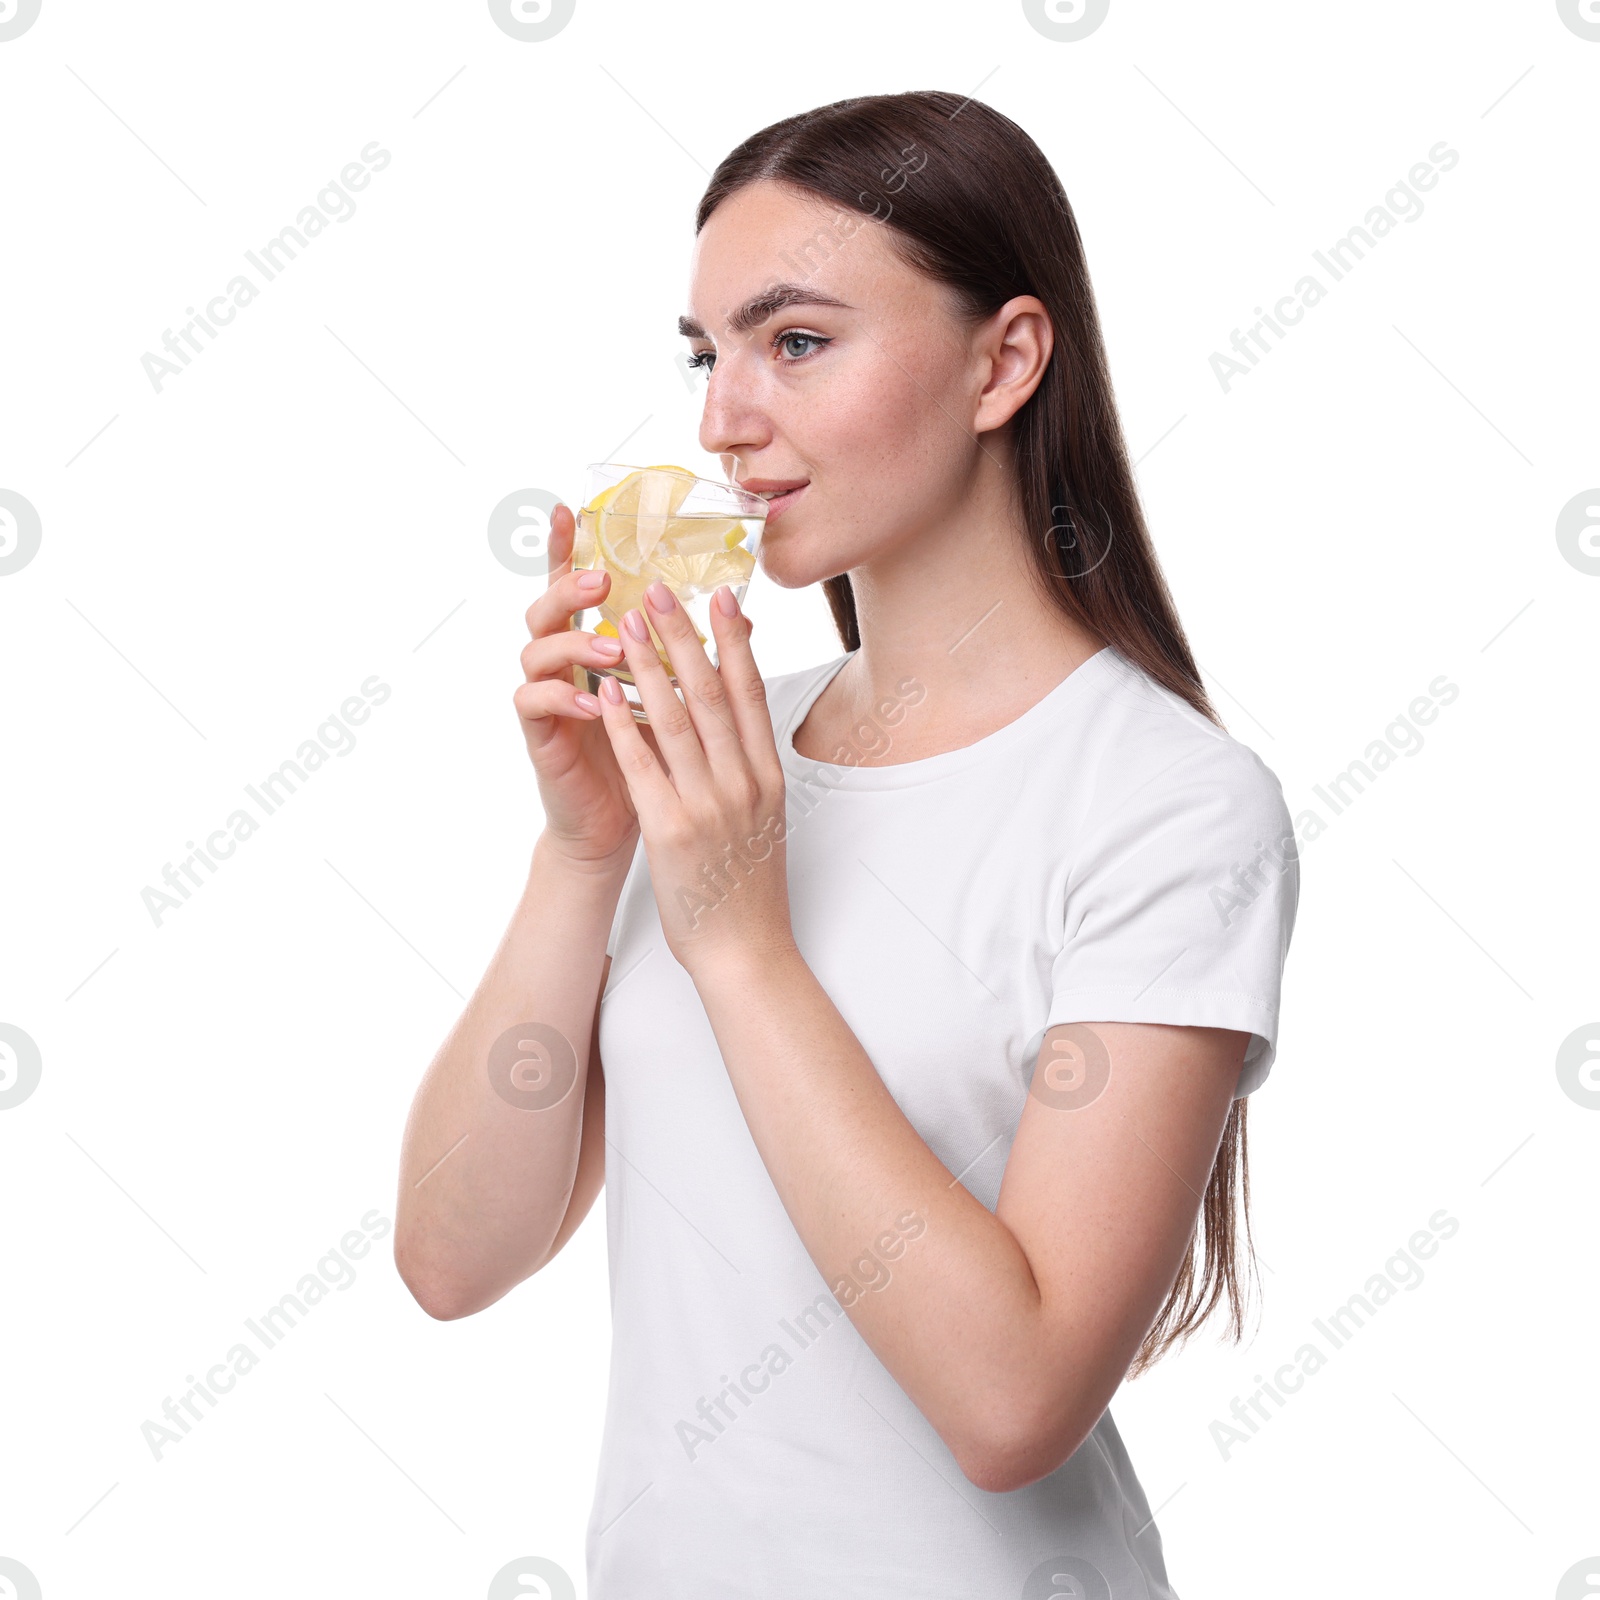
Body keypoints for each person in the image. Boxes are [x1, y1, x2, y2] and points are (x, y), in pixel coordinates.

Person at [395, 90, 1299, 1599]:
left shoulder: (1169, 806)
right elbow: (451, 1261)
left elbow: (1015, 1402)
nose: (721, 419)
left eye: (796, 343)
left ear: (1003, 360)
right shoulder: (732, 756)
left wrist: (739, 941)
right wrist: (583, 851)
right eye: (707, 355)